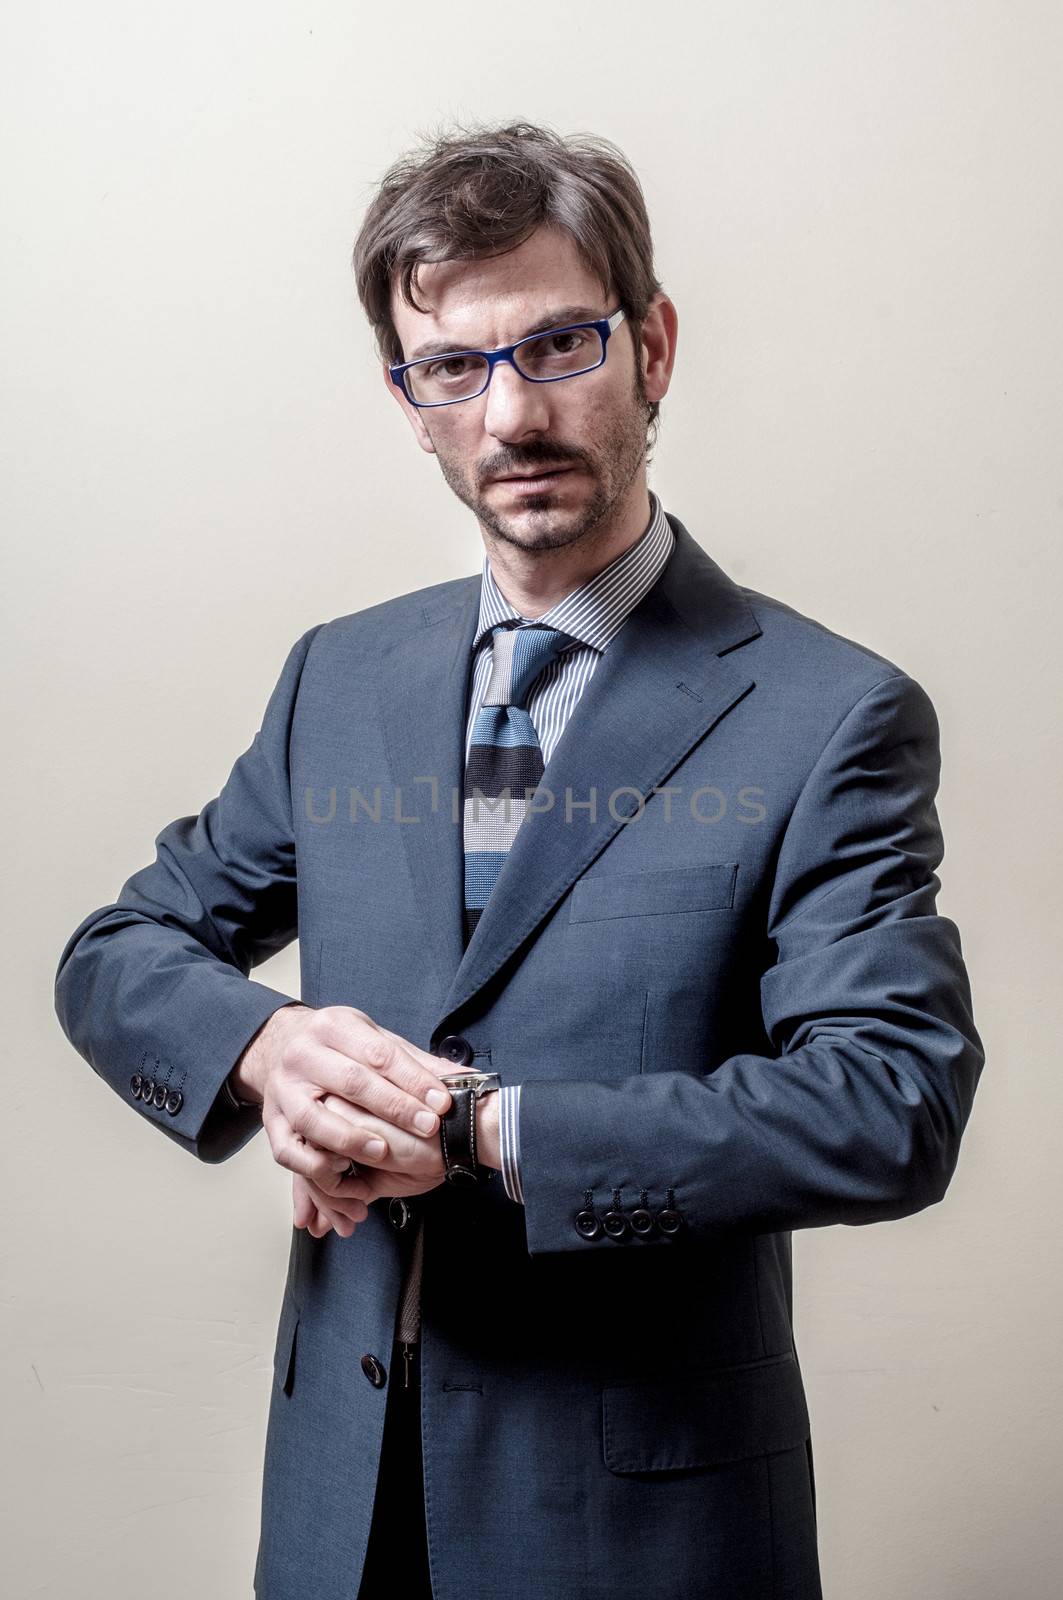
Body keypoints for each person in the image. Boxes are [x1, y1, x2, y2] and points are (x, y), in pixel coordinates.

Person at [54, 121, 985, 1600]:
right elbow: (118, 953)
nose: (510, 415)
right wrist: (269, 1049)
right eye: (455, 367)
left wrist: (488, 1128)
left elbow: (888, 1105)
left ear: (653, 346)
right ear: (406, 398)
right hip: (341, 1508)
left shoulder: (829, 714)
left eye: (558, 346)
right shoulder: (338, 681)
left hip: (643, 1528)